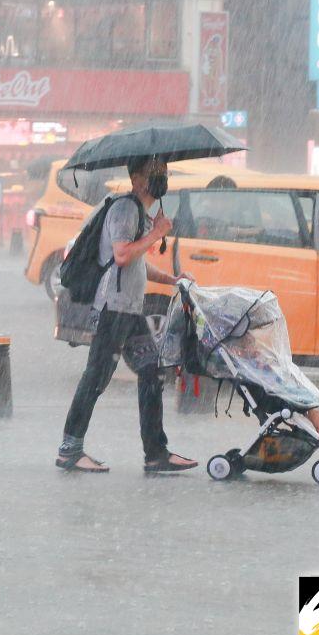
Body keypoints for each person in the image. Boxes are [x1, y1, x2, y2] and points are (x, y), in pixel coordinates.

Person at [56, 156, 199, 474]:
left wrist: (171, 280)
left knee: (151, 372)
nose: (161, 178)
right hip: (113, 309)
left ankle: (156, 452)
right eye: (153, 173)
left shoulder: (139, 212)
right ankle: (70, 450)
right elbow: (121, 256)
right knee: (96, 377)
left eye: (163, 172)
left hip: (130, 311)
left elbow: (136, 262)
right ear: (136, 179)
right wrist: (157, 232)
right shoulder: (125, 209)